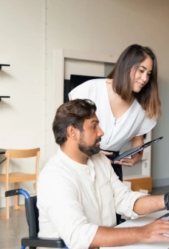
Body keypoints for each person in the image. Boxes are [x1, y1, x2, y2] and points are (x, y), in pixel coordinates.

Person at [37, 99, 169, 249]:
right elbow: (80, 235)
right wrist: (142, 233)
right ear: (72, 132)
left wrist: (168, 200)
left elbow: (123, 199)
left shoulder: (98, 160)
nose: (101, 132)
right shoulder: (55, 176)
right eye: (94, 125)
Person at [68, 44, 161, 183]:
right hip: (82, 160)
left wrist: (138, 155)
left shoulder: (143, 106)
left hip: (112, 166)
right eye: (141, 70)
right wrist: (90, 149)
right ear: (126, 66)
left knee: (113, 203)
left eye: (148, 74)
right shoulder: (90, 89)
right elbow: (68, 128)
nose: (145, 78)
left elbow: (138, 139)